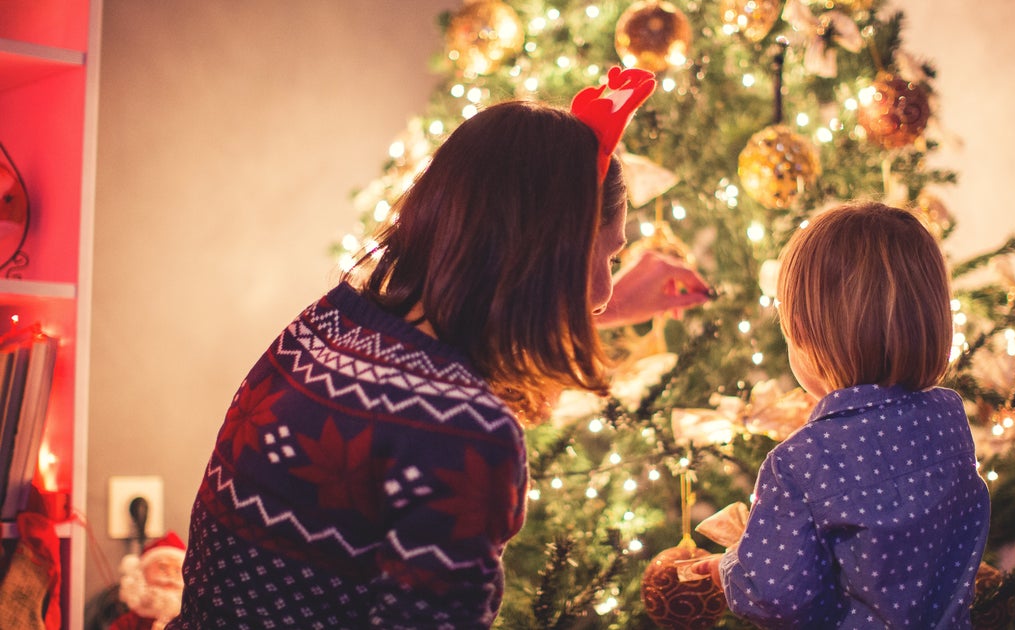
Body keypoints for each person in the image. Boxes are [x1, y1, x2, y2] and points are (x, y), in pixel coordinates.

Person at [167, 67, 709, 629]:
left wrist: (609, 307)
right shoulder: (465, 433)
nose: (601, 293)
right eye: (603, 258)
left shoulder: (324, 328)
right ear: (536, 257)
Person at [693, 202, 990, 628]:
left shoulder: (801, 462)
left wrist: (729, 569)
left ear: (802, 332)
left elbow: (773, 594)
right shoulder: (948, 418)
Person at [111, 532, 187, 630]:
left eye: (177, 570)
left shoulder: (194, 620)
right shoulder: (128, 623)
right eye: (162, 568)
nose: (170, 575)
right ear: (142, 574)